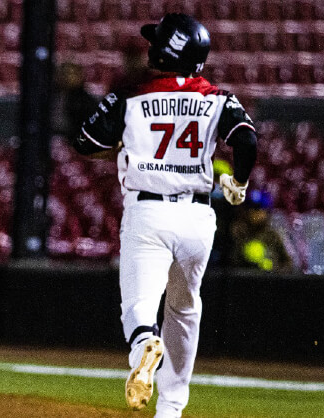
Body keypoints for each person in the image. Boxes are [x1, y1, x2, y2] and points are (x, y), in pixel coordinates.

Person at [72, 14, 257, 418]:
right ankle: (171, 408)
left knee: (140, 304)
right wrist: (239, 182)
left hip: (148, 209)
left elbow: (84, 141)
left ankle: (143, 345)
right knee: (185, 308)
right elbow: (245, 139)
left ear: (164, 51)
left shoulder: (131, 95)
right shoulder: (218, 96)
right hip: (197, 217)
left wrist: (122, 146)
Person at [51, 61, 97, 139]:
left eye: (71, 74)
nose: (66, 77)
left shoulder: (86, 102)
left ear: (80, 77)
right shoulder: (49, 95)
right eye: (63, 73)